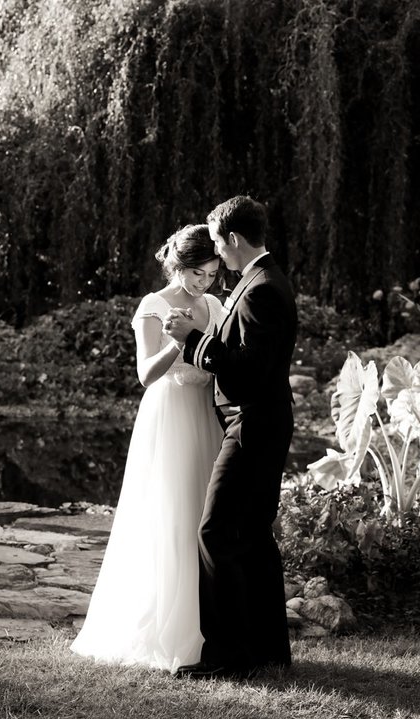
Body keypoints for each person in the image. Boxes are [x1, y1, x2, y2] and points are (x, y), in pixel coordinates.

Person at [71, 224, 225, 671]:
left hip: (208, 412)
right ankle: (166, 626)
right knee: (171, 512)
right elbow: (145, 374)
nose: (204, 283)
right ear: (177, 265)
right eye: (197, 273)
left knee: (205, 513)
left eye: (212, 274)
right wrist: (179, 340)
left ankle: (210, 625)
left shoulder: (213, 304)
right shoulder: (153, 306)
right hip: (171, 412)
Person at [164, 195, 298, 681]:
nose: (217, 255)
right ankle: (267, 650)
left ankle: (226, 656)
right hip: (263, 420)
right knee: (252, 536)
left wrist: (193, 340)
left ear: (234, 239)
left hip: (254, 423)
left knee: (215, 532)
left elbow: (249, 370)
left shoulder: (261, 289)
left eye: (219, 244)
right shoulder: (264, 280)